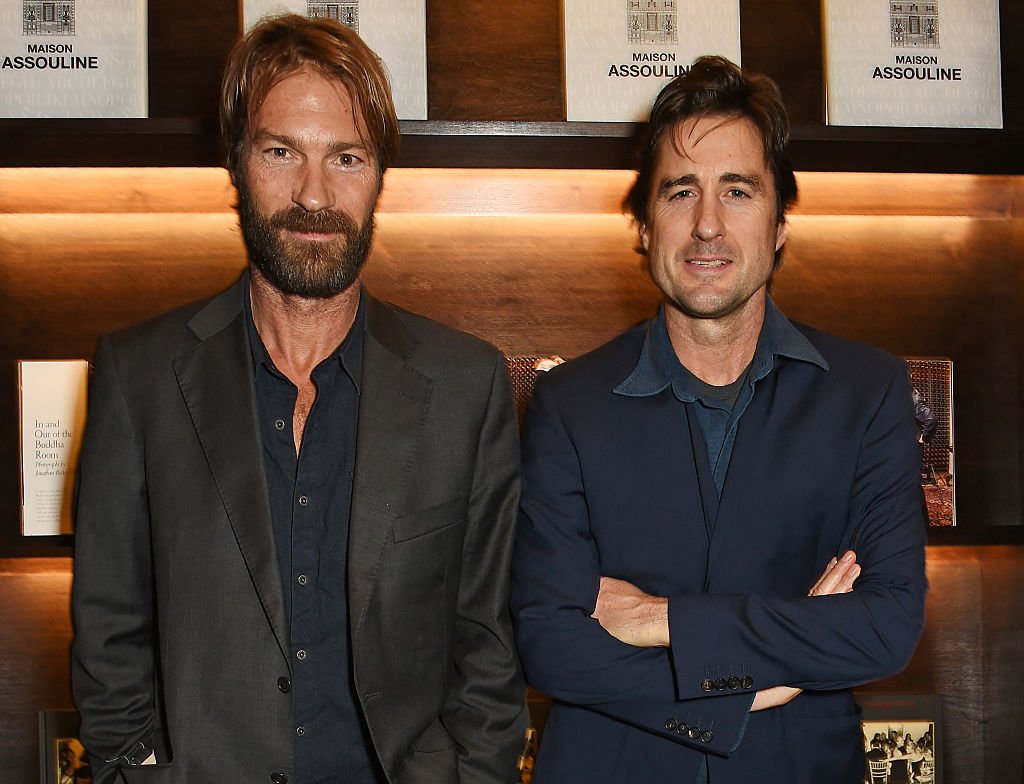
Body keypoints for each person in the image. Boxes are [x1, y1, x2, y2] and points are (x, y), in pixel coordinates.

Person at [71, 14, 527, 784]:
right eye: (281, 151)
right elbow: (108, 629)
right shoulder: (137, 375)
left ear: (380, 174)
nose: (314, 194)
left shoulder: (466, 384)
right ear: (236, 164)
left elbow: (486, 641)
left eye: (346, 157)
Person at [511, 55, 927, 784]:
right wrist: (761, 683)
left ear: (778, 227)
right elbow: (549, 641)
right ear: (642, 226)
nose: (707, 225)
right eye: (680, 193)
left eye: (738, 191)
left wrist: (657, 620)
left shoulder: (870, 392)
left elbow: (884, 630)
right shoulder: (566, 402)